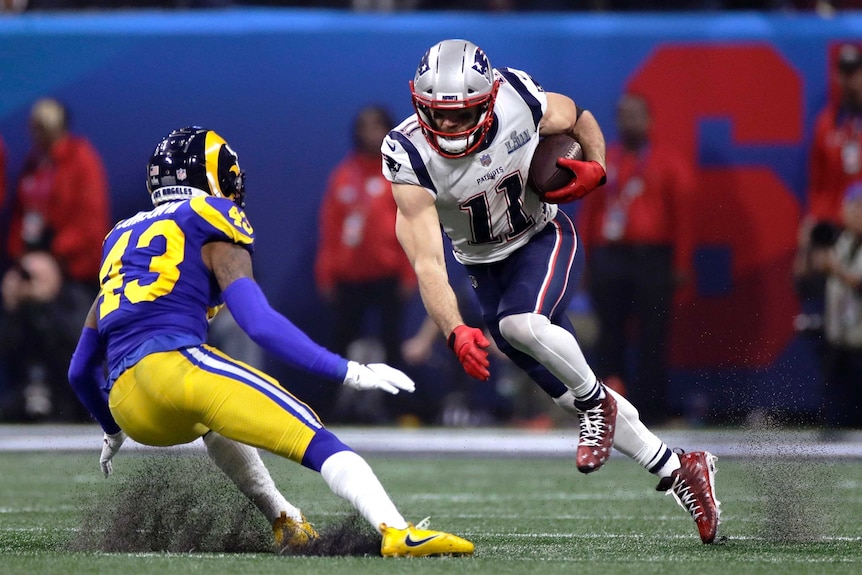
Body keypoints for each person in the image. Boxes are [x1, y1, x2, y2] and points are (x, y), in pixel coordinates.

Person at [66, 126, 474, 558]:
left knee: (215, 420)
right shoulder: (210, 217)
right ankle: (398, 532)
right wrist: (348, 370)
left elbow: (80, 369)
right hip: (176, 371)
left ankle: (287, 521)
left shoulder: (120, 238)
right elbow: (258, 323)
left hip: (129, 406)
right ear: (215, 175)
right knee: (314, 437)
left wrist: (112, 429)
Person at [382, 39, 720, 544]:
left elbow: (578, 117)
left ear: (489, 100)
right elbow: (428, 262)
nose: (448, 127)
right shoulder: (408, 153)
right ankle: (679, 468)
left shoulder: (517, 97)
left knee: (524, 329)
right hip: (483, 269)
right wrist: (453, 330)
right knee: (568, 396)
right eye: (438, 114)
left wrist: (599, 164)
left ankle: (598, 404)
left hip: (542, 238)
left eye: (462, 114)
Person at [576, 92, 695, 425]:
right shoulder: (604, 159)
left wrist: (681, 263)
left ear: (650, 120)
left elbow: (683, 217)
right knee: (609, 336)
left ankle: (651, 410)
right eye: (623, 115)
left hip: (652, 258)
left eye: (636, 115)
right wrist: (585, 259)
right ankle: (605, 409)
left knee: (653, 337)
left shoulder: (668, 162)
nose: (629, 121)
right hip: (610, 258)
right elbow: (589, 212)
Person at [0, 97, 110, 422]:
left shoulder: (81, 160)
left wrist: (54, 259)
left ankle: (79, 400)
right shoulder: (34, 165)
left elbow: (91, 226)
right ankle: (32, 392)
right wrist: (22, 264)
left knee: (65, 319)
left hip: (73, 272)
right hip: (35, 266)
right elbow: (22, 219)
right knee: (15, 308)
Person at [314, 105, 417, 423]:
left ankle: (397, 410)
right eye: (365, 127)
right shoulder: (343, 175)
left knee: (391, 343)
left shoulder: (399, 173)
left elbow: (412, 223)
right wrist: (326, 274)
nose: (370, 133)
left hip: (388, 275)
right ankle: (332, 411)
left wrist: (410, 272)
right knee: (341, 344)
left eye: (377, 127)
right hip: (349, 277)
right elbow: (330, 229)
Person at [795, 43, 862, 337]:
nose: (850, 80)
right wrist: (813, 228)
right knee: (806, 268)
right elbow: (819, 184)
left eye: (856, 72)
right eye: (844, 72)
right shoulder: (827, 123)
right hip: (837, 228)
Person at [803, 182, 862, 433]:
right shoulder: (838, 244)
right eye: (854, 207)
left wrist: (834, 268)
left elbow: (857, 283)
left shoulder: (837, 256)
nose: (858, 214)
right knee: (836, 424)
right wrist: (809, 253)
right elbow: (803, 282)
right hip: (839, 348)